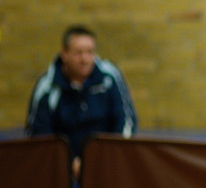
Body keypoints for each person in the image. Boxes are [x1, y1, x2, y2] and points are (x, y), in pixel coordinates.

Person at [26, 25, 137, 178]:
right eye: (78, 53)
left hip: (107, 163)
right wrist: (68, 163)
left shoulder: (110, 77)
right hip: (61, 170)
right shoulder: (47, 87)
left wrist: (106, 158)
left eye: (90, 52)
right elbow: (39, 135)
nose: (85, 59)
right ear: (64, 54)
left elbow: (126, 121)